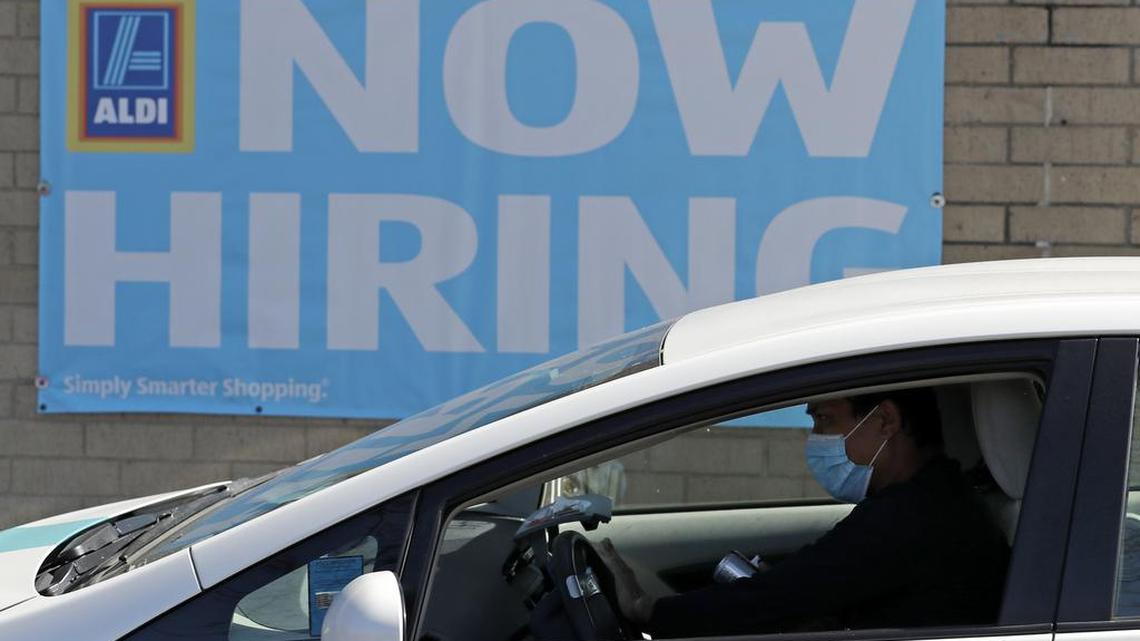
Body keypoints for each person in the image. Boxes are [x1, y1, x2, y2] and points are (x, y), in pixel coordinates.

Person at [597, 388, 1010, 638]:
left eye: (826, 421)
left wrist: (647, 610)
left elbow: (780, 597)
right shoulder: (933, 498)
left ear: (885, 420)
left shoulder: (914, 517)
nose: (817, 441)